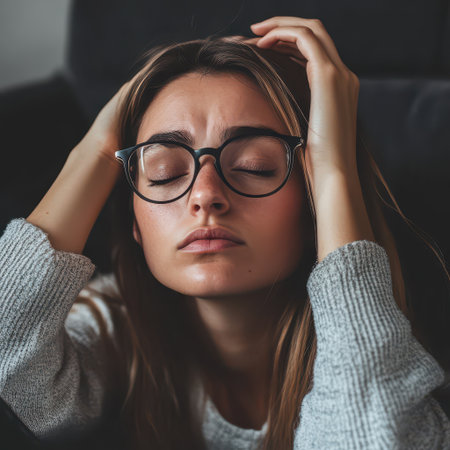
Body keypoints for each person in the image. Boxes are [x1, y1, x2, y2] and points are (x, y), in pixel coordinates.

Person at [0, 16, 449, 450]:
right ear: (136, 223)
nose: (205, 195)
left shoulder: (389, 341)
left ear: (316, 208)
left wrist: (334, 168)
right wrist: (97, 150)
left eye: (255, 166)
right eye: (164, 172)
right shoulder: (114, 325)